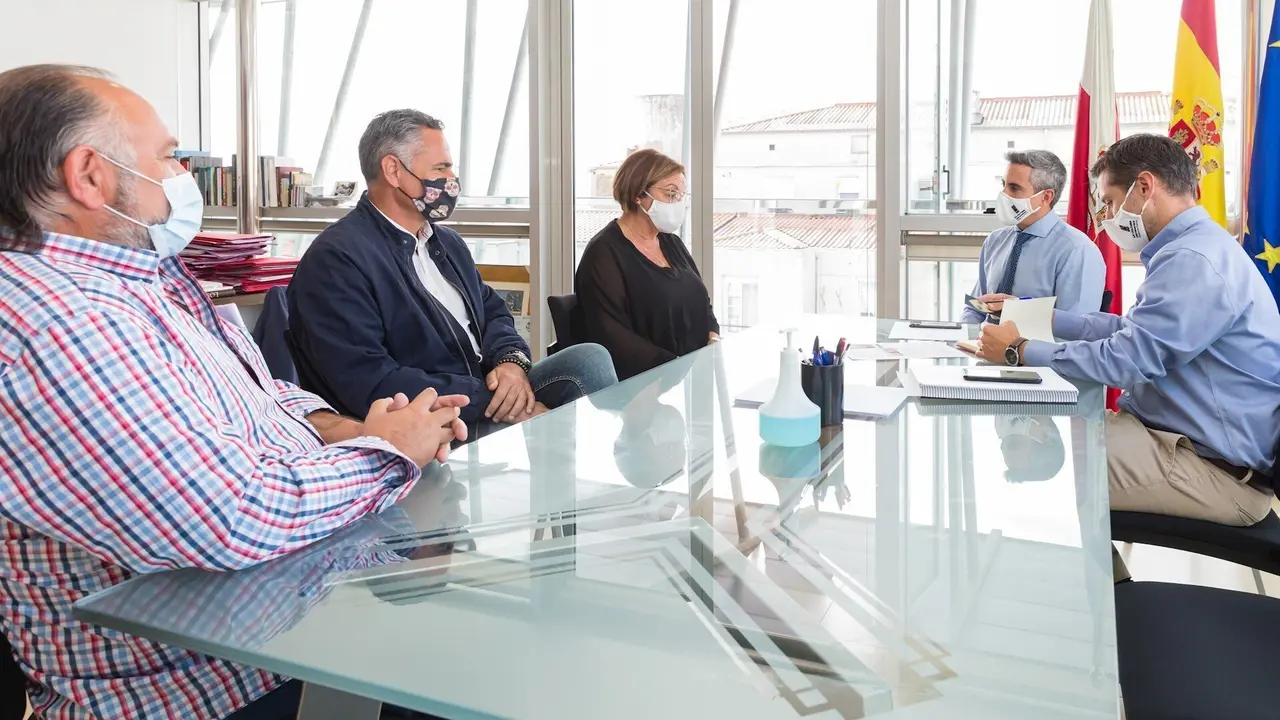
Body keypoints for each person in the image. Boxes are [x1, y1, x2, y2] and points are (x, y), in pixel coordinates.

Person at [0, 65, 466, 719]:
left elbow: (254, 392)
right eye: (168, 157)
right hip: (211, 686)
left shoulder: (138, 281)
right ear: (89, 175)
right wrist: (392, 453)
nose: (180, 175)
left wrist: (341, 427)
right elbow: (230, 518)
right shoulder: (58, 322)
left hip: (287, 617)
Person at [978, 133, 1280, 532]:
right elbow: (1132, 331)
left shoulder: (1194, 259)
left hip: (1212, 470)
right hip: (1176, 441)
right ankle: (1109, 590)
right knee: (1049, 440)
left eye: (1108, 201)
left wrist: (1019, 349)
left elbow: (1128, 360)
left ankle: (1093, 593)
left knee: (1038, 466)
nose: (1105, 216)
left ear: (1144, 187)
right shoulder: (1193, 247)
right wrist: (1043, 318)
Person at [288, 110, 617, 432]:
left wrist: (510, 364)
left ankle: (583, 480)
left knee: (589, 360)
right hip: (434, 418)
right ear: (392, 170)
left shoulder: (446, 242)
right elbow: (370, 379)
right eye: (441, 167)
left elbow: (495, 312)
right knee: (556, 426)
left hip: (485, 389)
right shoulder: (338, 260)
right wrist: (488, 400)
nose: (451, 180)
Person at [575, 148, 720, 380]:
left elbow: (701, 300)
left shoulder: (671, 243)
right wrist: (673, 369)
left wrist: (713, 338)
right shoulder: (603, 253)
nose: (678, 203)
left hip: (691, 374)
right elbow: (611, 334)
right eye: (671, 194)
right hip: (641, 384)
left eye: (682, 196)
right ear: (638, 194)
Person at [960, 150, 1106, 323]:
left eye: (1014, 188)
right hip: (984, 347)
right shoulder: (995, 241)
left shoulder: (1077, 251)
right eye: (1003, 185)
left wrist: (1019, 321)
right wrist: (964, 340)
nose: (1004, 194)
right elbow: (976, 308)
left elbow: (1075, 329)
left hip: (1034, 349)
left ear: (1046, 197)